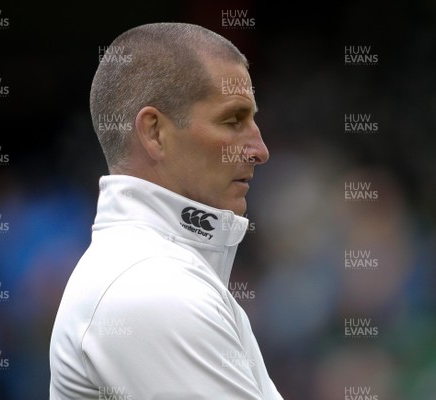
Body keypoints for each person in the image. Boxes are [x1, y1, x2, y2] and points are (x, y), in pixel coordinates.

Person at [49, 22, 283, 399]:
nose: (259, 149)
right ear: (155, 132)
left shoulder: (159, 275)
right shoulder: (151, 286)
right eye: (233, 120)